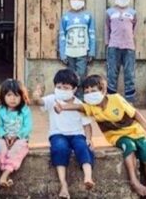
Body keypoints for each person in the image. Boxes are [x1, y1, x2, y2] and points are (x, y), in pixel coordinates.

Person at [60, 75, 146, 198]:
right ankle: (134, 181)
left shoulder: (116, 99)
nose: (90, 94)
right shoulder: (91, 107)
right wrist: (62, 107)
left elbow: (135, 113)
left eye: (93, 91)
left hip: (136, 131)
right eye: (87, 92)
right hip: (115, 136)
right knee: (128, 146)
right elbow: (77, 107)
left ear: (103, 91)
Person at [32, 68, 95, 199]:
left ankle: (88, 177)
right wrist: (37, 94)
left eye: (65, 87)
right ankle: (63, 184)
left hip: (77, 134)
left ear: (74, 89)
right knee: (59, 148)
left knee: (83, 147)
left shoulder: (79, 104)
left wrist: (89, 139)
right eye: (58, 87)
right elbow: (38, 102)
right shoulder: (52, 99)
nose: (61, 90)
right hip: (58, 134)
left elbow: (87, 125)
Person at [0, 79, 33, 188]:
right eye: (9, 95)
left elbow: (28, 127)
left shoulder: (25, 110)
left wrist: (17, 136)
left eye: (16, 95)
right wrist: (4, 135)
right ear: (3, 96)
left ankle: (4, 175)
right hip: (4, 137)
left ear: (22, 97)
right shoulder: (0, 110)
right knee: (0, 147)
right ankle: (6, 172)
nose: (13, 99)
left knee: (17, 148)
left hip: (20, 138)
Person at [58, 0, 96, 94]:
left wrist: (91, 51)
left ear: (84, 0)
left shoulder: (88, 16)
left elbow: (92, 34)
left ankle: (80, 97)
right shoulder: (65, 17)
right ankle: (70, 95)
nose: (77, 1)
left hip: (83, 52)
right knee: (70, 76)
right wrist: (62, 53)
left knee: (81, 75)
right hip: (69, 52)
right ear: (70, 0)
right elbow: (62, 35)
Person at [105, 0, 137, 103]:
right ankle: (112, 101)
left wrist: (133, 44)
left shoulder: (133, 13)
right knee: (112, 74)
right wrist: (107, 44)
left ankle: (130, 102)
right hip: (113, 47)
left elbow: (135, 29)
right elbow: (107, 29)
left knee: (129, 74)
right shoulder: (109, 12)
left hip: (129, 48)